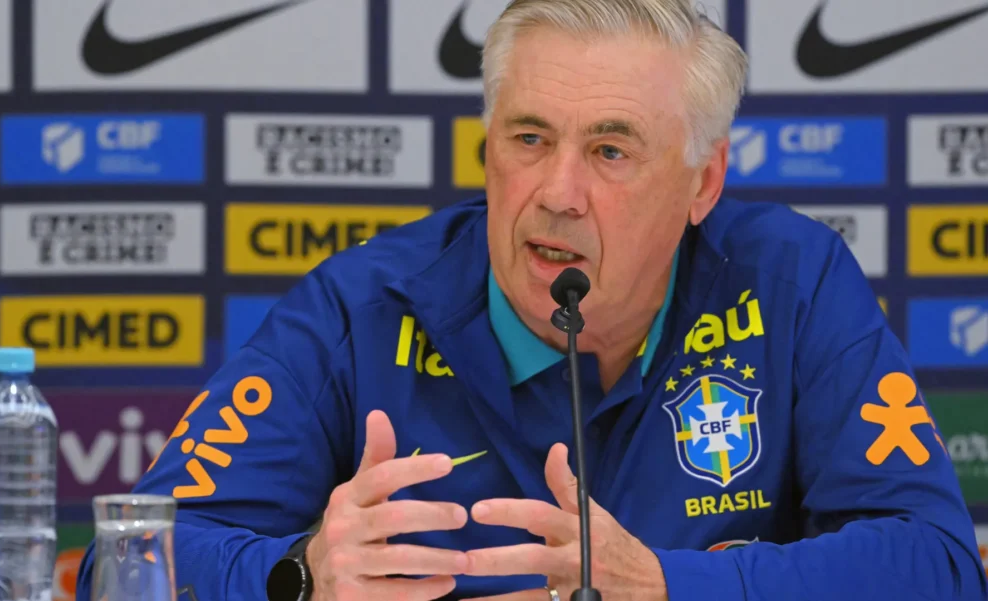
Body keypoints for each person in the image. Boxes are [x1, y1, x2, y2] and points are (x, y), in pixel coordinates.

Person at [76, 1, 987, 600]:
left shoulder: (792, 283)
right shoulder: (362, 308)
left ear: (702, 182)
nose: (557, 192)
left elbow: (939, 562)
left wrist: (667, 585)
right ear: (487, 151)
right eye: (529, 138)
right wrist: (300, 574)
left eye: (611, 150)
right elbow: (125, 559)